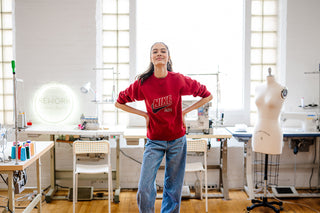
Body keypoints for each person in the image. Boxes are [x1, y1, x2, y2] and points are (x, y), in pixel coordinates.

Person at [115, 42, 213, 213]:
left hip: (177, 140)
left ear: (168, 57)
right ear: (151, 57)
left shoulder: (178, 80)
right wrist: (145, 115)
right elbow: (119, 102)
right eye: (155, 51)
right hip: (154, 141)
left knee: (173, 188)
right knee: (144, 188)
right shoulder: (143, 84)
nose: (159, 54)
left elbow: (207, 95)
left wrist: (184, 112)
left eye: (163, 51)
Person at [252, 68, 288, 154]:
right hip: (257, 130)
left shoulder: (281, 89)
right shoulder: (258, 88)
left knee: (272, 166)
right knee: (257, 165)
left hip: (273, 133)